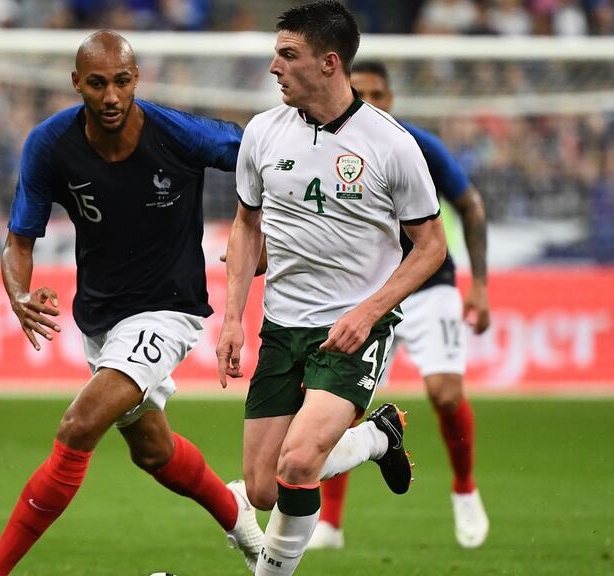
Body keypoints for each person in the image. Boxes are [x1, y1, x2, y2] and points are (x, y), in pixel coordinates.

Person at [0, 31, 262, 576]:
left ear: (137, 81)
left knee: (78, 426)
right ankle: (236, 513)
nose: (111, 96)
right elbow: (19, 240)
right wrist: (18, 293)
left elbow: (264, 154)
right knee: (153, 452)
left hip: (169, 309)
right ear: (77, 83)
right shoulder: (49, 145)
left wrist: (261, 230)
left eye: (122, 82)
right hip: (102, 318)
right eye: (99, 83)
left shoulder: (178, 134)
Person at [217, 3, 448, 574]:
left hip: (351, 330)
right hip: (281, 327)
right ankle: (377, 438)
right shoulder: (263, 133)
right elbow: (246, 225)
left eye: (287, 54)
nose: (274, 66)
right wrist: (231, 317)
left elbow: (432, 246)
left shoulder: (391, 145)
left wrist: (369, 312)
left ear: (328, 62)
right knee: (262, 488)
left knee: (298, 462)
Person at [302, 59, 492, 551]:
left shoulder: (418, 146)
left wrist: (482, 285)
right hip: (365, 292)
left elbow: (470, 206)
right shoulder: (329, 146)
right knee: (337, 404)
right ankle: (332, 523)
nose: (370, 101)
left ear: (391, 99)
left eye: (378, 93)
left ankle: (465, 489)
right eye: (359, 91)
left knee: (447, 395)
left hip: (429, 285)